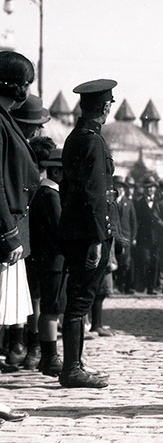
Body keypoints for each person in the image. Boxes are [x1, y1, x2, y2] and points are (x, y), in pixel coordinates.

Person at [58, 78, 119, 388]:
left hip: (75, 231)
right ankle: (72, 369)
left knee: (78, 299)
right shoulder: (93, 141)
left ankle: (76, 363)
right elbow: (94, 195)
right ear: (106, 107)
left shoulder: (74, 138)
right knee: (80, 302)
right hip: (88, 235)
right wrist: (97, 238)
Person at [0, 50, 41, 420]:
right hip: (3, 233)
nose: (27, 89)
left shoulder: (4, 119)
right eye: (25, 83)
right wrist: (9, 233)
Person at [27, 146, 66, 376]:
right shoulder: (52, 196)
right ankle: (50, 357)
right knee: (52, 309)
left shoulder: (40, 193)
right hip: (53, 261)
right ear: (57, 173)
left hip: (41, 259)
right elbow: (59, 229)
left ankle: (45, 355)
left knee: (43, 306)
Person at [133, 176, 158, 294]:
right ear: (144, 189)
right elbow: (136, 221)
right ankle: (141, 285)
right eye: (147, 188)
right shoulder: (138, 203)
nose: (149, 190)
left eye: (152, 188)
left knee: (154, 261)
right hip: (143, 238)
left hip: (157, 238)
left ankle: (151, 288)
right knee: (145, 260)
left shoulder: (159, 202)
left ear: (155, 189)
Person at [112, 175, 137, 294]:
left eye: (121, 187)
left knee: (125, 263)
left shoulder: (129, 202)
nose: (119, 189)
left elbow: (134, 222)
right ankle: (114, 285)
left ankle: (121, 284)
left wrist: (134, 237)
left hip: (126, 236)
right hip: (113, 236)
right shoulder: (110, 201)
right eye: (117, 187)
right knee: (113, 261)